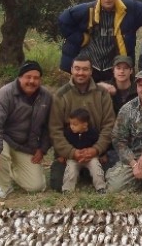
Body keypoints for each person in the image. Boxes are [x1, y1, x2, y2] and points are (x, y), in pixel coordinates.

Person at [58, 0, 142, 82]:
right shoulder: (88, 9)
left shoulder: (129, 8)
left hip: (115, 68)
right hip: (90, 65)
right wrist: (80, 38)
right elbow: (64, 19)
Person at [0, 60, 52, 199]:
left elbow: (50, 127)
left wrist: (42, 149)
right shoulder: (4, 94)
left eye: (36, 78)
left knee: (36, 187)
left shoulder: (46, 97)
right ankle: (2, 187)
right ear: (20, 77)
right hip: (5, 140)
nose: (32, 81)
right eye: (28, 77)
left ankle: (10, 170)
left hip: (26, 146)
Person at [48, 55, 116, 192]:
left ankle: (88, 174)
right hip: (70, 153)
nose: (81, 73)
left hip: (96, 151)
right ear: (71, 70)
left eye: (85, 69)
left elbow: (109, 126)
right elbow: (55, 130)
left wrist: (96, 149)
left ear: (91, 71)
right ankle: (81, 173)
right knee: (57, 185)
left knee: (113, 180)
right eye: (77, 69)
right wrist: (71, 152)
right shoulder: (61, 95)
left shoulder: (102, 93)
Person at [60, 108, 106, 194]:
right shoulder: (68, 133)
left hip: (90, 157)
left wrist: (102, 154)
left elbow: (98, 144)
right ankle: (67, 189)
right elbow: (64, 145)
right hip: (74, 157)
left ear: (85, 125)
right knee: (70, 170)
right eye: (70, 124)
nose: (72, 126)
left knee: (96, 167)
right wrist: (61, 155)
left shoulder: (93, 133)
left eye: (75, 124)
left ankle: (101, 187)